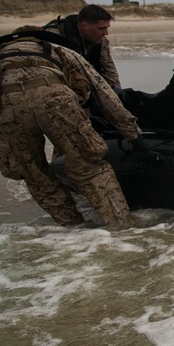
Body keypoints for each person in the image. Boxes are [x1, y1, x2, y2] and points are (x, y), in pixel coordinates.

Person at [0, 28, 155, 230]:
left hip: (8, 111)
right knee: (91, 167)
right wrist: (135, 137)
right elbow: (104, 96)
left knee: (35, 175)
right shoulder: (59, 50)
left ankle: (73, 228)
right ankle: (122, 227)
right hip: (57, 103)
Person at [44, 4, 120, 88]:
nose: (106, 33)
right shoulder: (53, 37)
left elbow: (108, 69)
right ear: (84, 26)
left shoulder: (101, 40)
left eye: (107, 28)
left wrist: (117, 92)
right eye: (101, 28)